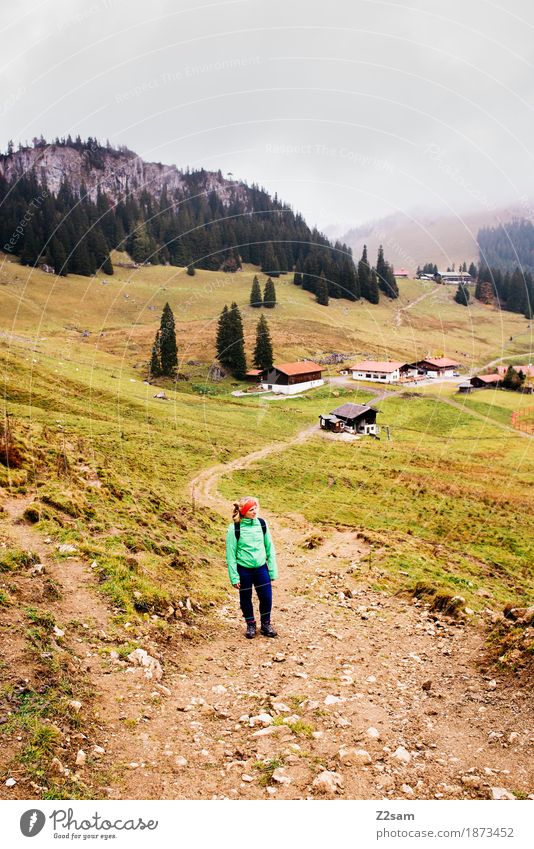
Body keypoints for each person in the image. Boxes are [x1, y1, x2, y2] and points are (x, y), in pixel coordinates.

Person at [226, 496, 278, 639]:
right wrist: (234, 576)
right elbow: (230, 554)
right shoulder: (234, 528)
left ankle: (266, 624)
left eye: (256, 508)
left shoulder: (262, 524)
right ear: (243, 512)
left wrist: (272, 569)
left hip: (261, 568)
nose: (255, 512)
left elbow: (270, 548)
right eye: (251, 509)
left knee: (267, 597)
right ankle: (250, 624)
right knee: (245, 598)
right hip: (244, 570)